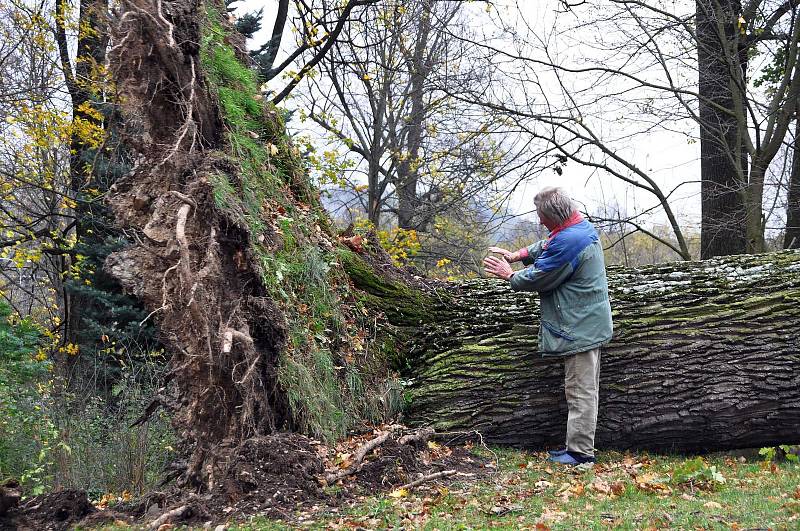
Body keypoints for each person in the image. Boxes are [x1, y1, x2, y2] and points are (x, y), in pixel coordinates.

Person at [483, 187, 613, 465]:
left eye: (542, 217)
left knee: (581, 391)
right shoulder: (576, 227)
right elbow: (548, 245)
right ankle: (576, 449)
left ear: (555, 215)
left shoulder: (571, 240)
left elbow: (542, 275)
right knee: (579, 388)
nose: (540, 222)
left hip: (581, 327)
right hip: (585, 323)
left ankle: (581, 454)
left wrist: (510, 275)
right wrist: (518, 254)